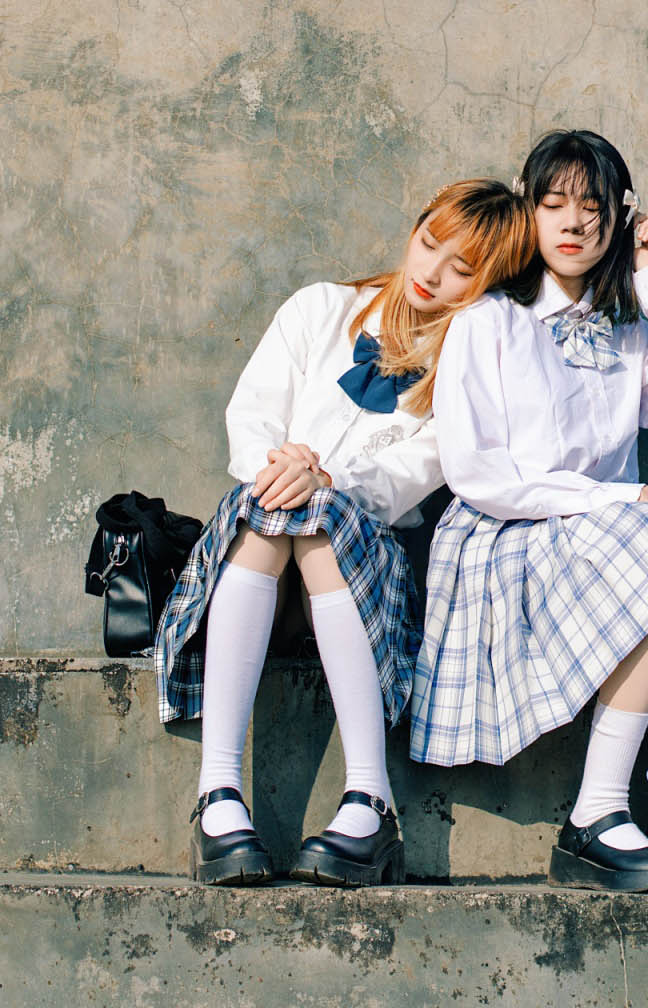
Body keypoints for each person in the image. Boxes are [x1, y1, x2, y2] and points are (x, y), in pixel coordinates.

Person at [411, 130, 648, 894]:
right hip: (505, 535)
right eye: (554, 204)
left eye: (593, 206)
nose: (574, 222)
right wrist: (614, 497)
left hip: (609, 534)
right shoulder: (490, 320)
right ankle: (595, 813)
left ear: (619, 217)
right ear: (529, 212)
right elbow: (478, 474)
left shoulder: (628, 326)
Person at [155, 179, 532, 888]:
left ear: (489, 285)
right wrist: (285, 468)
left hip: (358, 579)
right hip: (260, 562)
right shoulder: (320, 308)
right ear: (414, 228)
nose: (431, 273)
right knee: (273, 513)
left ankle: (369, 799)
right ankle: (219, 794)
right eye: (429, 243)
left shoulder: (466, 368)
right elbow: (251, 417)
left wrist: (326, 481)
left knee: (319, 519)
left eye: (461, 269)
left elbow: (411, 475)